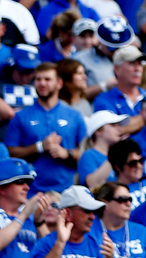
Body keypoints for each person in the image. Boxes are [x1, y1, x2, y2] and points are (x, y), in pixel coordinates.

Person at [5, 61, 89, 192]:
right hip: (31, 191)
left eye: (48, 79)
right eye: (38, 79)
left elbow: (88, 153)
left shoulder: (75, 116)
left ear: (59, 84)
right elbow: (10, 152)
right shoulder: (21, 116)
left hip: (68, 190)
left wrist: (67, 153)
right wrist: (39, 147)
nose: (42, 83)